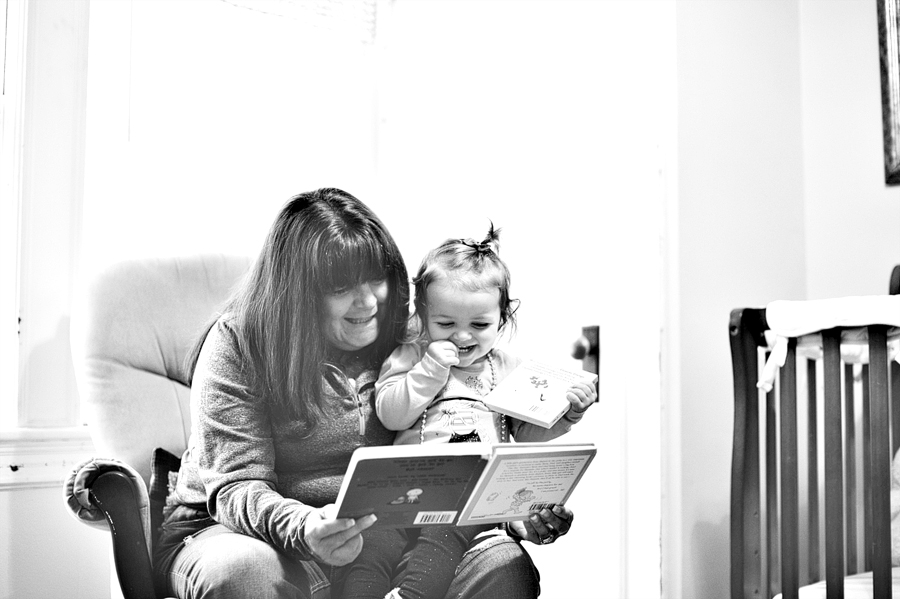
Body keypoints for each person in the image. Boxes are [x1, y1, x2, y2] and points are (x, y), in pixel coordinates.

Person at [152, 188, 578, 599]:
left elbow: (468, 442)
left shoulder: (419, 338)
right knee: (243, 573)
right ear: (297, 295)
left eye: (376, 279)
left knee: (503, 566)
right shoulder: (239, 342)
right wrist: (307, 527)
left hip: (391, 531)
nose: (368, 302)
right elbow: (236, 487)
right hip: (248, 533)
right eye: (340, 288)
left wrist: (515, 515)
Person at [339, 225, 597, 599]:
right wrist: (429, 369)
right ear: (424, 316)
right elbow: (392, 415)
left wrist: (567, 415)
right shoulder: (410, 354)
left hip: (468, 498)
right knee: (371, 548)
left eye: (479, 325)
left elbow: (525, 431)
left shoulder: (506, 366)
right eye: (446, 324)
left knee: (442, 539)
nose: (462, 337)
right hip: (404, 492)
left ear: (502, 320)